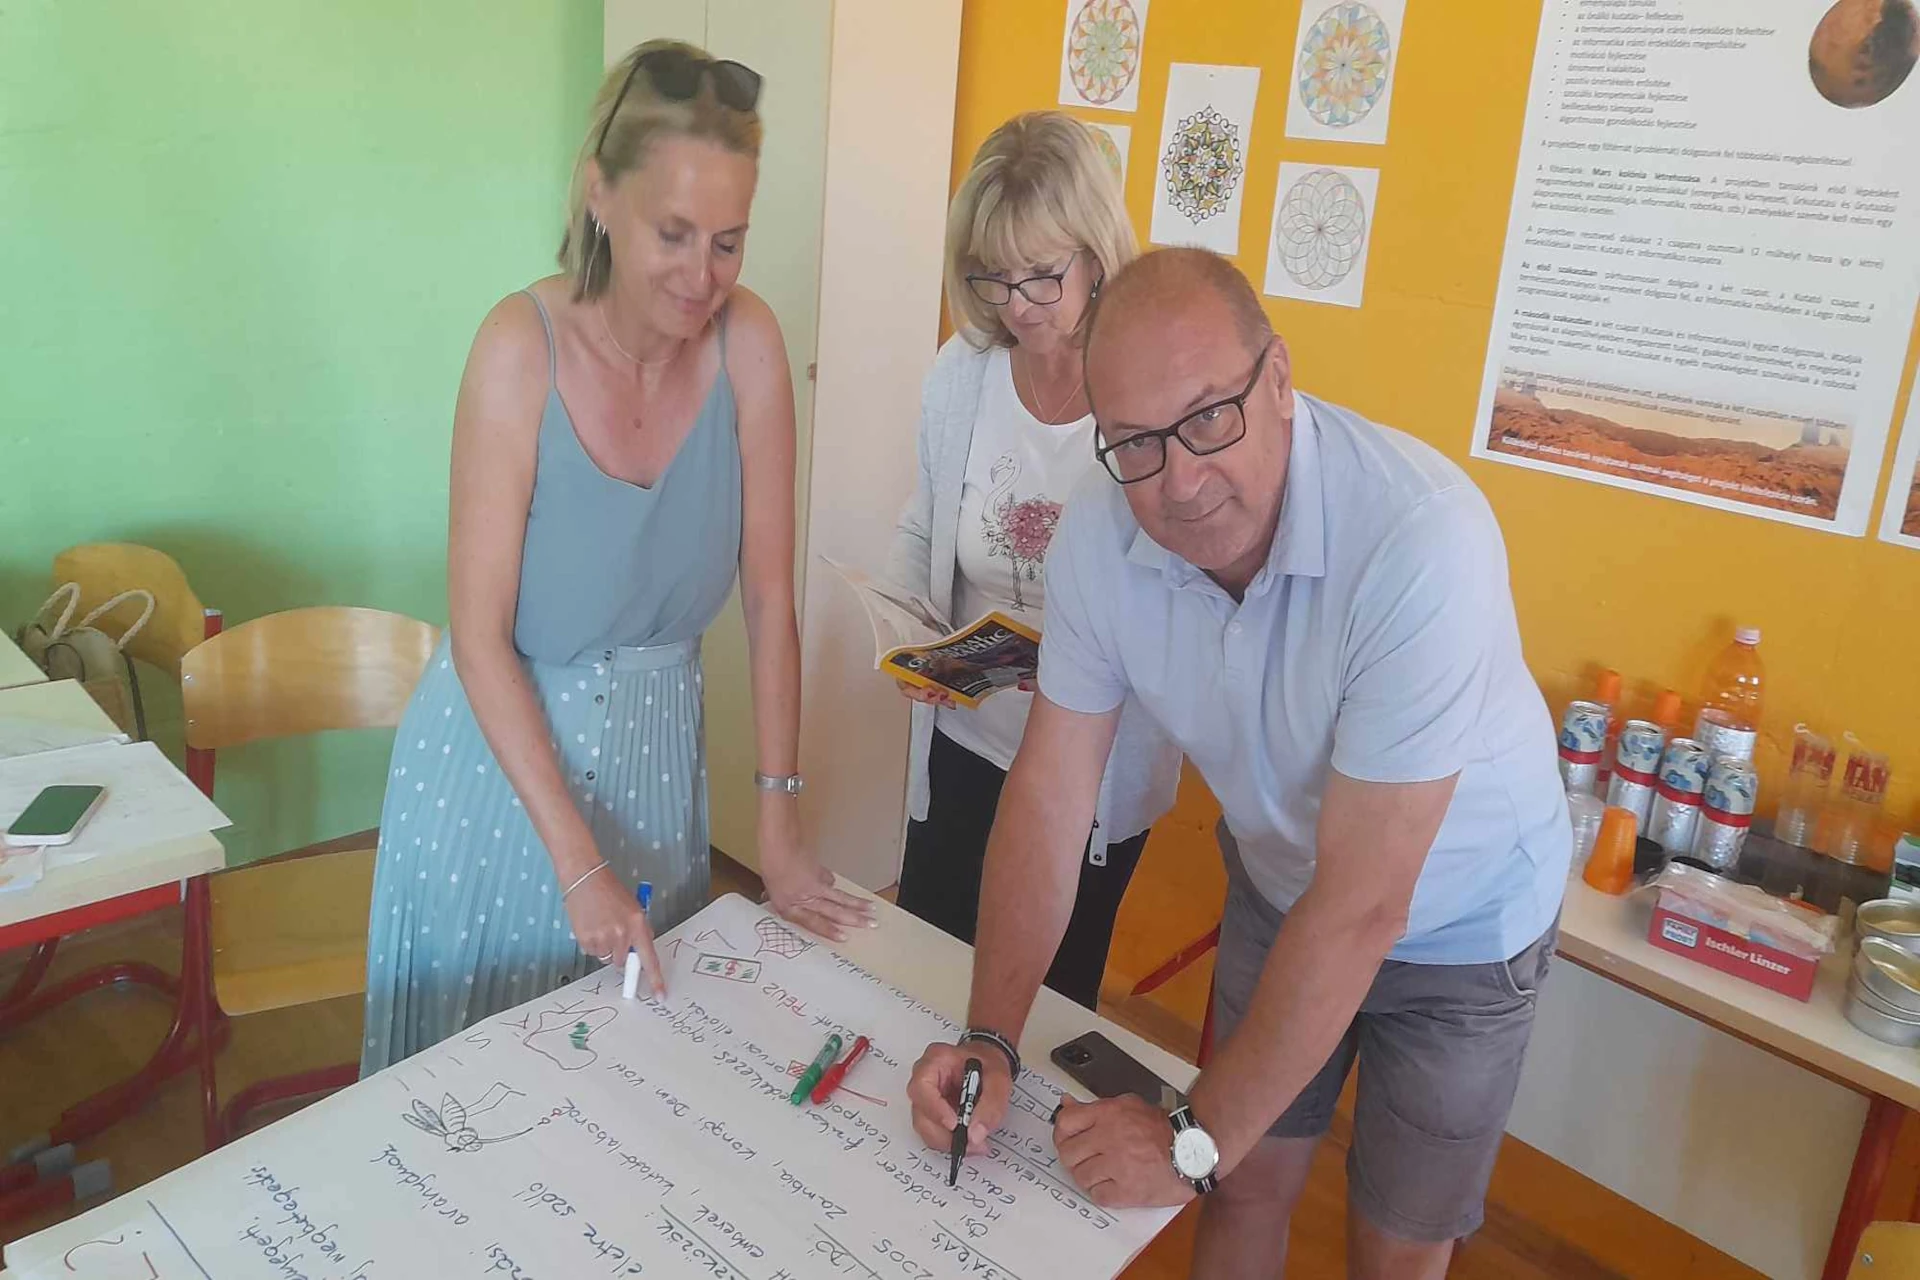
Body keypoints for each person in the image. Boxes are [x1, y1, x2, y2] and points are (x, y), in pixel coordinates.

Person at [906, 249, 1570, 1280]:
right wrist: (992, 1036)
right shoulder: (1100, 533)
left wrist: (1189, 1139)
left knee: (1394, 1239)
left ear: (1281, 380)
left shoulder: (1422, 538)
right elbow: (1049, 792)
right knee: (1243, 1186)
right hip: (1280, 877)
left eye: (1210, 417)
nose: (1181, 481)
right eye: (1135, 441)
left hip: (1465, 922)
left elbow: (1365, 905)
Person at [362, 40, 871, 1074]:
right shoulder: (518, 350)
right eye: (672, 234)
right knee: (478, 1096)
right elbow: (477, 637)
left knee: (628, 1086)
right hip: (500, 780)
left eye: (728, 242)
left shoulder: (749, 345)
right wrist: (576, 860)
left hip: (654, 768)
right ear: (600, 194)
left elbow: (770, 601)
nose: (702, 277)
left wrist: (778, 820)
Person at [883, 112, 1180, 1009]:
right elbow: (925, 528)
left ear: (1097, 254)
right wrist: (904, 631)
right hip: (966, 742)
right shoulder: (963, 374)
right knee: (925, 984)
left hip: (1091, 778)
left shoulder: (1147, 389)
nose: (1017, 305)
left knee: (1043, 1014)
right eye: (994, 276)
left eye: (1042, 275)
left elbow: (1182, 596)